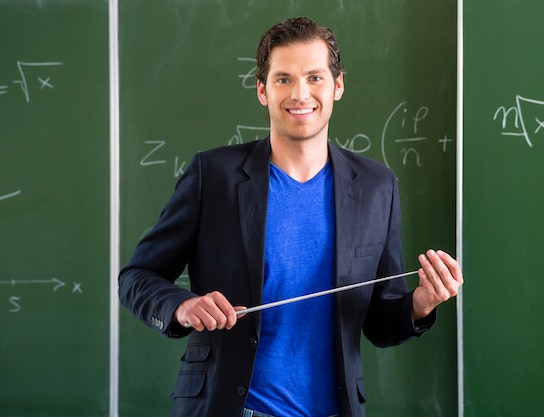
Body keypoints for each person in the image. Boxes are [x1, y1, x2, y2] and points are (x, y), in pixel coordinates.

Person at [119, 16, 463, 417]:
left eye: (315, 77)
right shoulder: (211, 176)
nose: (300, 93)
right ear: (263, 90)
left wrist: (420, 303)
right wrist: (182, 307)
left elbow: (379, 322)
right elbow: (136, 278)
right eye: (283, 79)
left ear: (338, 86)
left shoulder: (376, 186)